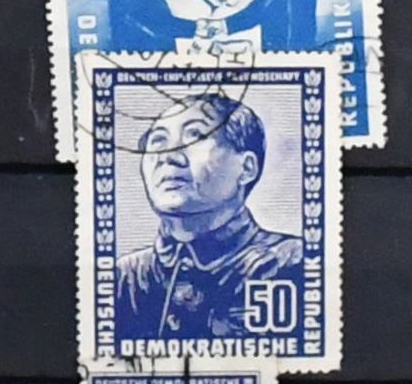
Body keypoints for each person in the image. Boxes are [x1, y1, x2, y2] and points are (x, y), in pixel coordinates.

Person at [114, 94, 304, 344]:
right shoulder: (124, 276)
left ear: (247, 168)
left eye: (196, 137)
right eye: (158, 140)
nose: (168, 155)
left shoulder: (293, 262)